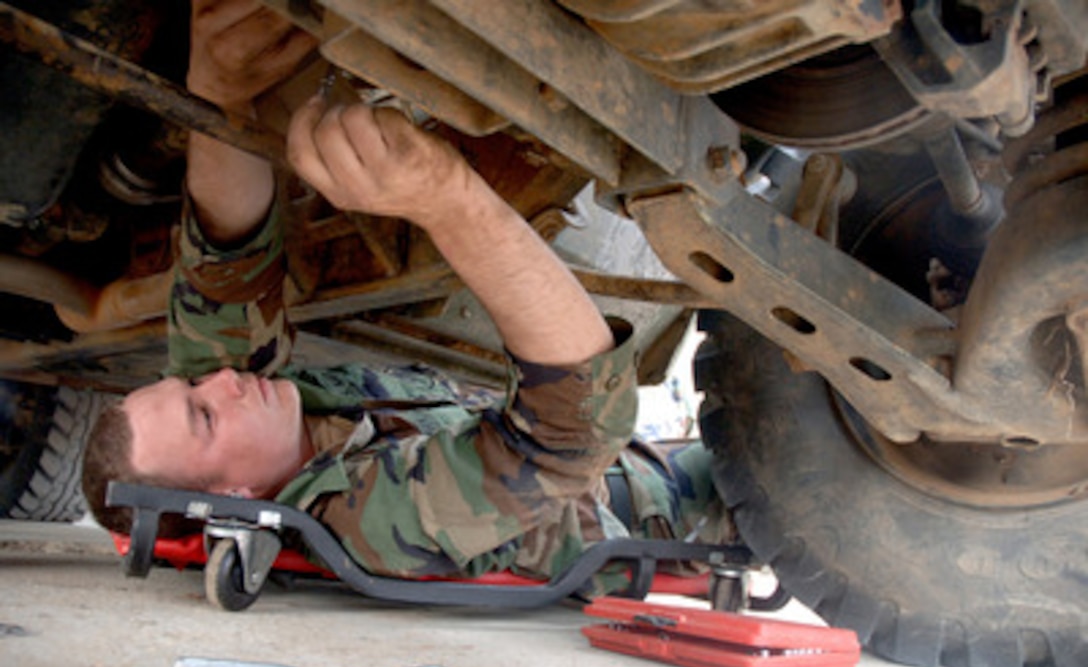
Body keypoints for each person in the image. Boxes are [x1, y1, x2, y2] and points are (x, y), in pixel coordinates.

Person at [82, 0, 726, 595]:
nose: (221, 382)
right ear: (234, 496)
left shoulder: (253, 416)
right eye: (204, 416)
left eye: (189, 388)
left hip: (660, 457)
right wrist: (450, 201)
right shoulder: (363, 523)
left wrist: (219, 91)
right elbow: (572, 432)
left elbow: (224, 274)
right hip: (681, 511)